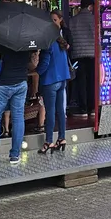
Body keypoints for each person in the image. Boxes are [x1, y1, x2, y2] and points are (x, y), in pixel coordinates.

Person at [0, 37, 32, 166]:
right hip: (21, 83)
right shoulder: (27, 39)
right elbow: (31, 63)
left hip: (3, 85)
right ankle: (15, 156)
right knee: (18, 118)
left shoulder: (1, 39)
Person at [36, 11, 73, 154]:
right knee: (60, 111)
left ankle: (49, 141)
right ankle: (62, 138)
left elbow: (44, 64)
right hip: (62, 79)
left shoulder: (48, 42)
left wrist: (36, 70)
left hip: (50, 80)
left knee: (50, 112)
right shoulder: (61, 41)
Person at [66, 0, 98, 112]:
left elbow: (70, 38)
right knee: (92, 81)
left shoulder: (72, 21)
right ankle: (92, 107)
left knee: (81, 82)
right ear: (90, 6)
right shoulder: (95, 20)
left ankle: (83, 107)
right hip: (92, 55)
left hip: (77, 55)